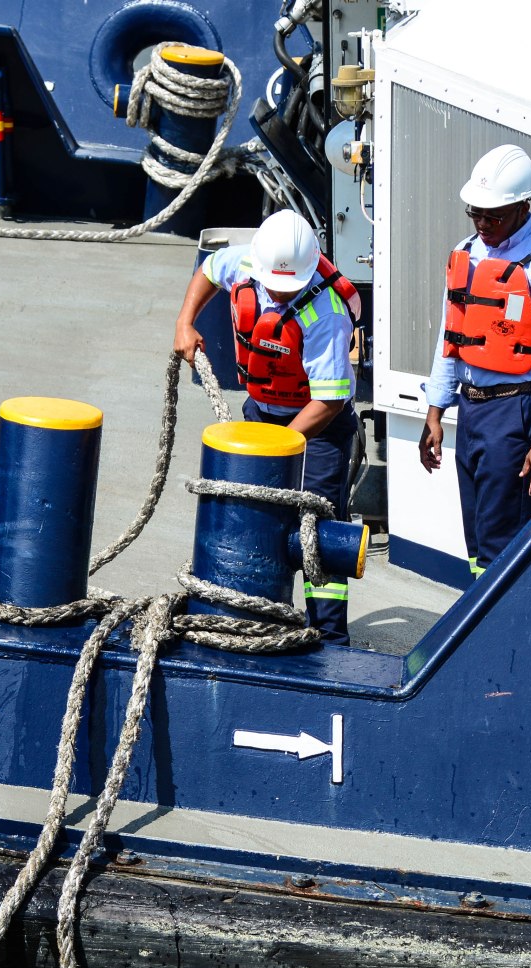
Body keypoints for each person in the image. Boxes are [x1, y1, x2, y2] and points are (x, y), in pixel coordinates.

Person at [174, 209, 360, 645]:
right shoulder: (245, 263)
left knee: (316, 529)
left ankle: (329, 638)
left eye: (288, 286)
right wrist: (185, 321)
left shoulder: (326, 313)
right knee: (253, 514)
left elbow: (330, 400)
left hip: (319, 428)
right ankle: (254, 618)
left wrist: (280, 444)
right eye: (273, 282)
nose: (278, 290)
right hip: (262, 411)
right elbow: (209, 269)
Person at [419, 144, 531, 577]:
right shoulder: (465, 254)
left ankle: (505, 621)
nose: (483, 224)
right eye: (476, 213)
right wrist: (435, 412)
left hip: (515, 412)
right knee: (477, 542)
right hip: (471, 412)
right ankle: (481, 615)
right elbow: (449, 336)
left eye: (495, 216)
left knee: (503, 546)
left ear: (523, 207)